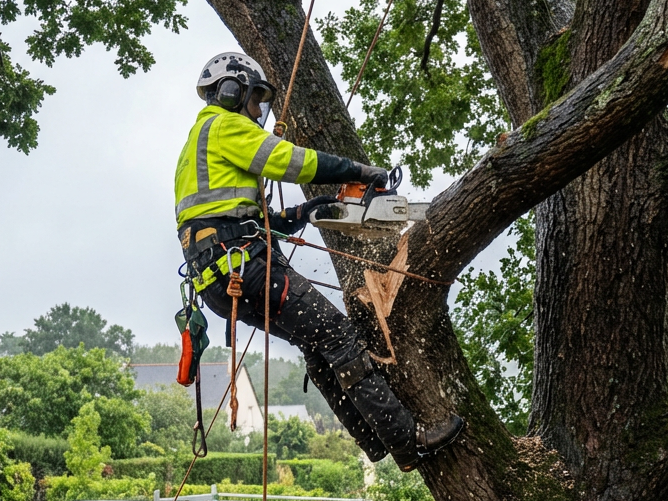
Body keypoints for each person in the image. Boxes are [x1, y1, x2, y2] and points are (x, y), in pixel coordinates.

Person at [175, 51, 463, 470]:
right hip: (246, 268)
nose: (257, 111)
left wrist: (302, 214)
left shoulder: (193, 147)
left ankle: (372, 439)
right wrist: (361, 172)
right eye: (254, 99)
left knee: (315, 342)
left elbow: (238, 220)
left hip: (219, 278)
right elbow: (295, 161)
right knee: (337, 334)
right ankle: (406, 440)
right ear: (231, 90)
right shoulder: (224, 125)